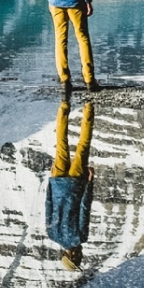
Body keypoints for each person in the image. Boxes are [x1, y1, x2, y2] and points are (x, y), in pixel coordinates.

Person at [45, 87, 94, 270]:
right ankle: (64, 104)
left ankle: (89, 106)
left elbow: (84, 208)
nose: (82, 255)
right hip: (57, 183)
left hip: (75, 184)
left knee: (83, 145)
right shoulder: (52, 233)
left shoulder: (80, 237)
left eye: (79, 258)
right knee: (61, 143)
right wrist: (50, 181)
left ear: (73, 255)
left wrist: (89, 183)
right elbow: (48, 205)